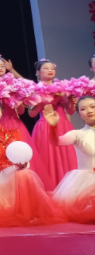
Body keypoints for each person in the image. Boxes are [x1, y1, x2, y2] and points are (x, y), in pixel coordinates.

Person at [0, 67, 65, 227]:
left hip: (7, 176)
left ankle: (27, 212)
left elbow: (18, 158)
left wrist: (22, 165)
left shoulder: (11, 134)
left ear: (1, 113)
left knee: (25, 173)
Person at [28, 58, 79, 191]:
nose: (50, 70)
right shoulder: (35, 89)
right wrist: (40, 100)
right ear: (38, 72)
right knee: (47, 160)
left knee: (67, 158)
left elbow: (70, 111)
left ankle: (69, 190)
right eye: (46, 68)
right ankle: (51, 189)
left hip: (63, 126)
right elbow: (32, 114)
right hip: (44, 127)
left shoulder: (63, 88)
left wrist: (71, 101)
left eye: (52, 68)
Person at [44, 96, 95, 223]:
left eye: (93, 107)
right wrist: (53, 127)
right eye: (83, 109)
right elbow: (56, 141)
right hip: (86, 182)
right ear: (79, 114)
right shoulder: (77, 134)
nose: (89, 111)